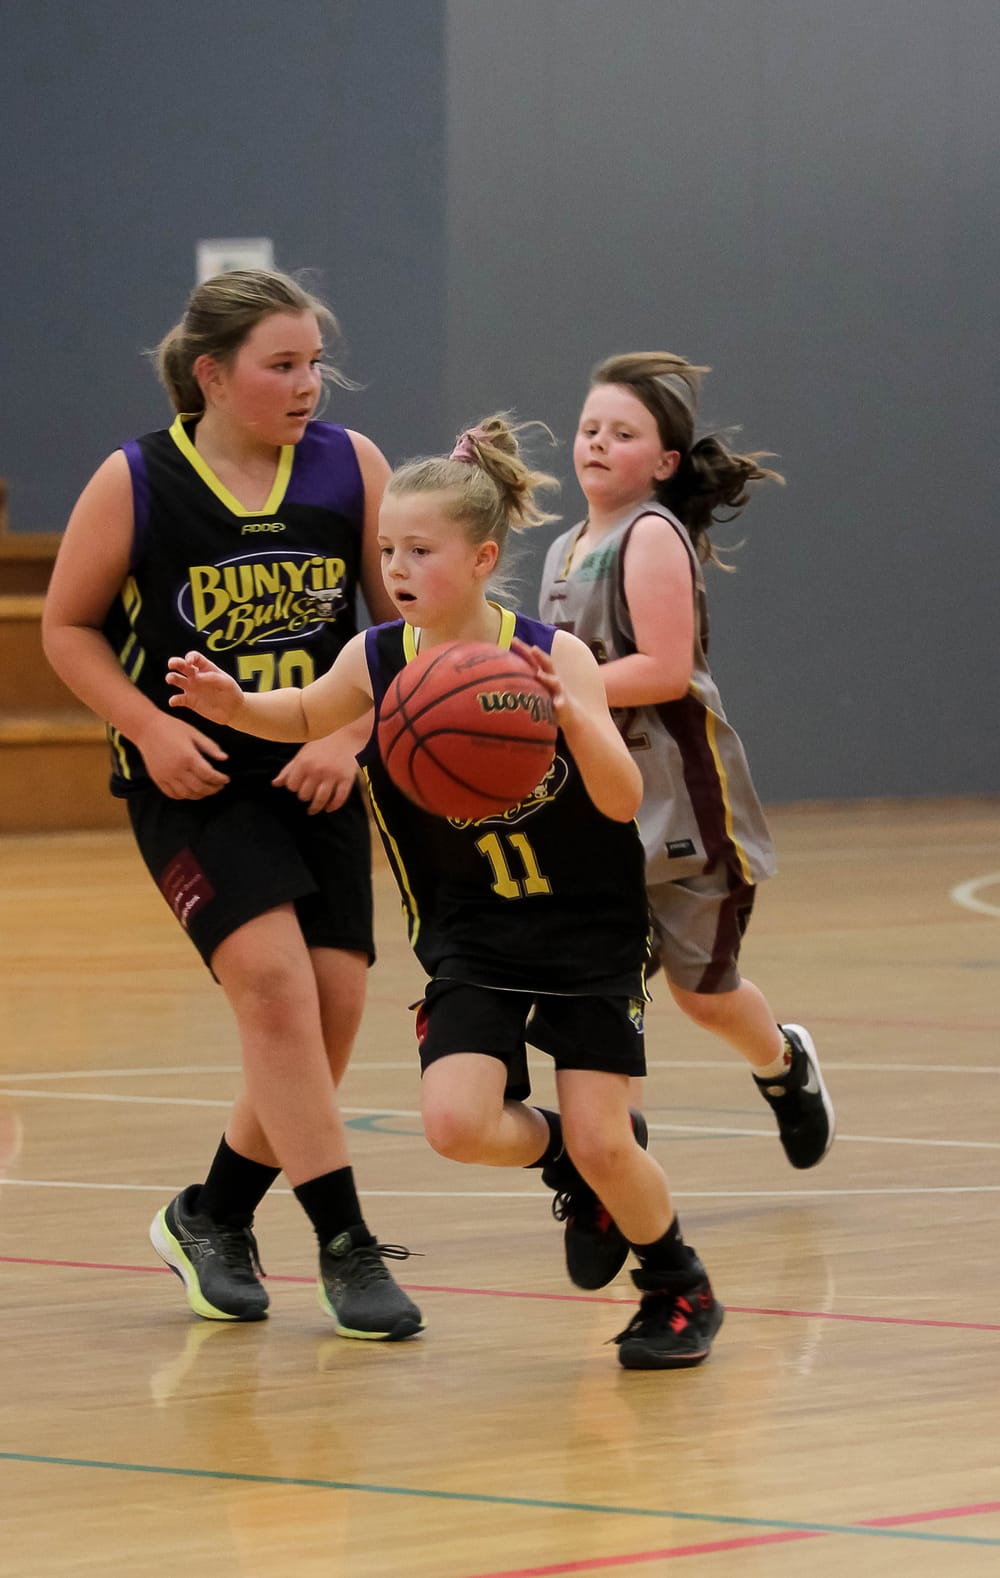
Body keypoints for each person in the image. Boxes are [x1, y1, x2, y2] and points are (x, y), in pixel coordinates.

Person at [163, 414, 725, 1371]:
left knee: (607, 1138)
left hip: (586, 927)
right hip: (470, 931)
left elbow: (622, 797)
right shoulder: (378, 659)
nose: (397, 568)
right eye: (386, 550)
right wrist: (237, 707)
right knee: (457, 1125)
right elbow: (303, 712)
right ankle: (563, 1158)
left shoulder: (555, 655)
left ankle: (676, 1284)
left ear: (482, 557)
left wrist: (573, 722)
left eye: (420, 550)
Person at [41, 268, 423, 1342]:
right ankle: (347, 1249)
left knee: (333, 1014)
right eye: (283, 365)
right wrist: (151, 727)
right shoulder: (137, 480)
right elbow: (65, 630)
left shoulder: (353, 471)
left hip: (319, 768)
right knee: (271, 992)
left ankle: (210, 1215)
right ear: (212, 375)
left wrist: (350, 735)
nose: (309, 385)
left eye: (315, 365)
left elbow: (402, 634)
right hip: (194, 777)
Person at [539, 351, 835, 1181]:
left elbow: (664, 671)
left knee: (702, 995)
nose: (597, 443)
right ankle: (613, 1176)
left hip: (683, 802)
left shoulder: (652, 535)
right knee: (606, 996)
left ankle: (783, 1064)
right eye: (589, 428)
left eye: (622, 433)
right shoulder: (563, 547)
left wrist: (555, 688)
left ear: (664, 462)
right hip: (599, 804)